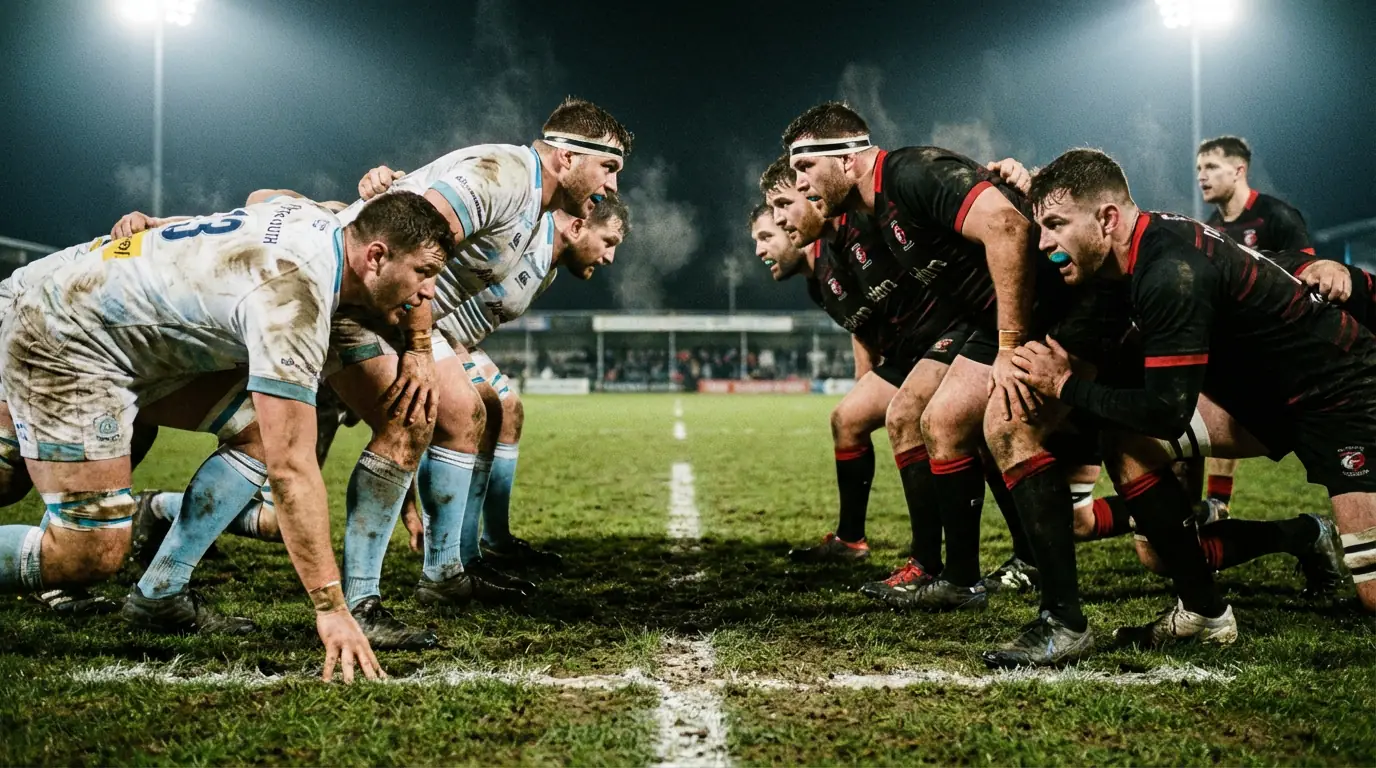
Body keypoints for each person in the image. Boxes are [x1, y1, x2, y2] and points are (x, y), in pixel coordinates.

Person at [0, 192, 454, 682]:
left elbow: (256, 204)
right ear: (377, 256)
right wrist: (330, 607)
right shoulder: (295, 298)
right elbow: (292, 468)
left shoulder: (323, 221)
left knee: (256, 429)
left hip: (107, 319)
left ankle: (160, 593)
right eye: (424, 272)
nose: (428, 292)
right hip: (64, 336)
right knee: (88, 552)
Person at [1014, 148, 1368, 656]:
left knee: (1373, 594)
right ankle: (1204, 611)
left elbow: (1165, 412)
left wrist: (1066, 387)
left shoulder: (1168, 270)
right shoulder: (1146, 246)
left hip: (1342, 397)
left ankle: (1288, 538)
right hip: (1267, 398)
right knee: (1127, 448)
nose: (1044, 241)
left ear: (1108, 218)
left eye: (1053, 224)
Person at [1196, 135, 1315, 519]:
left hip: (1284, 348)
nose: (1202, 176)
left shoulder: (1276, 216)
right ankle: (1216, 503)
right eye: (1198, 168)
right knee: (1215, 403)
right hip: (1234, 346)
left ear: (1239, 169)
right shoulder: (1209, 229)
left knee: (1318, 439)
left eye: (1211, 167)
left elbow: (1308, 277)